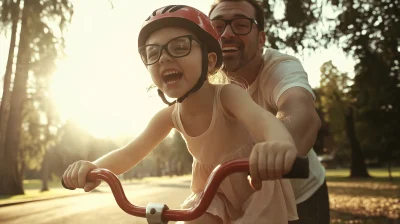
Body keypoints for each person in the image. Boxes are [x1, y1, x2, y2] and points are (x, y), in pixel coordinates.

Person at [63, 5, 301, 224]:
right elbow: (129, 153)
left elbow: (262, 120)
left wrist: (279, 144)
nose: (164, 57)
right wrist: (92, 168)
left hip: (255, 185)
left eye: (179, 47)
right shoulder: (168, 116)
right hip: (212, 193)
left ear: (209, 62)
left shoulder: (228, 95)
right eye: (153, 52)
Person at [208, 0, 330, 223]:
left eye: (241, 24)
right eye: (216, 27)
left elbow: (301, 110)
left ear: (261, 39)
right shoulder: (204, 81)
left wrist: (279, 144)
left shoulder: (279, 67)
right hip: (244, 204)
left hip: (301, 197)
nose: (226, 34)